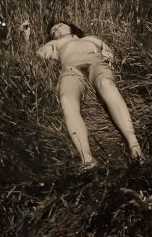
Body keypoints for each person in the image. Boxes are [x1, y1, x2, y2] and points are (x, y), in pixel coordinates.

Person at [36, 21, 143, 169]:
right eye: (53, 30)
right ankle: (87, 158)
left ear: (70, 26)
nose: (56, 29)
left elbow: (109, 54)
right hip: (71, 69)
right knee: (66, 100)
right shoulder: (54, 44)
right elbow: (40, 54)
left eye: (59, 25)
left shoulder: (92, 38)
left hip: (97, 64)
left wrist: (109, 59)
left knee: (106, 85)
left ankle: (134, 146)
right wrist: (26, 37)